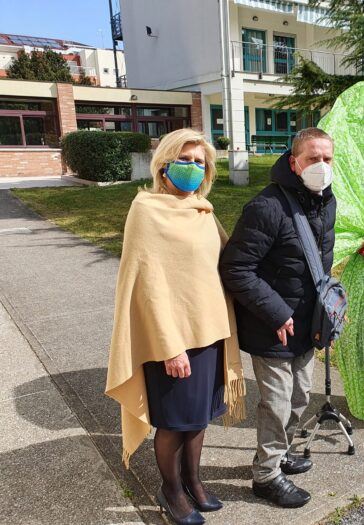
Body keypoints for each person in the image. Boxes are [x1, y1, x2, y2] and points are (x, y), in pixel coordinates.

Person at [105, 129, 246, 525]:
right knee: (174, 423)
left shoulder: (203, 210)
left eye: (200, 162)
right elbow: (146, 285)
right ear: (164, 165)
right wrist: (170, 347)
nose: (193, 168)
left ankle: (193, 480)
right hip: (172, 342)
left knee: (198, 418)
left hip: (210, 335)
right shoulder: (147, 210)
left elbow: (227, 263)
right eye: (185, 160)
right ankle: (171, 490)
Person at [219, 127, 336, 508]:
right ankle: (266, 476)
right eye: (312, 158)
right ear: (294, 162)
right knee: (277, 402)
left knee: (301, 397)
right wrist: (276, 312)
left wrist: (328, 306)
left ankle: (280, 454)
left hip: (307, 324)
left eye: (327, 159)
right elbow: (236, 268)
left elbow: (319, 263)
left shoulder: (325, 201)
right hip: (273, 326)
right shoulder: (267, 206)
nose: (321, 166)